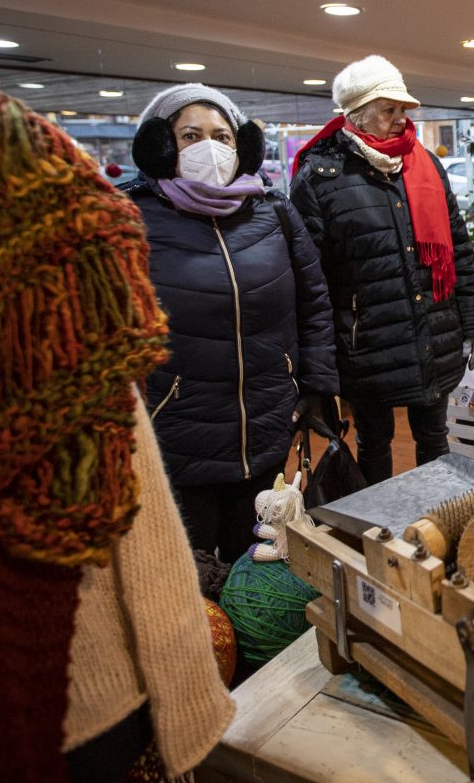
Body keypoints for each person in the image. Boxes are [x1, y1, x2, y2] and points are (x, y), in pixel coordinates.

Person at [126, 83, 339, 557]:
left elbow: (314, 302)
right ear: (160, 145)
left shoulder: (273, 211)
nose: (209, 147)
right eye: (190, 135)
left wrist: (315, 388)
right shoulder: (131, 218)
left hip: (266, 423)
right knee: (191, 573)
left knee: (260, 560)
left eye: (221, 136)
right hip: (179, 434)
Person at [290, 55, 474, 483]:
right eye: (389, 110)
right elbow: (310, 279)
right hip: (367, 344)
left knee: (435, 437)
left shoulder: (424, 164)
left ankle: (434, 524)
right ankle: (379, 530)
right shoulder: (320, 176)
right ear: (358, 115)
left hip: (433, 333)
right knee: (373, 443)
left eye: (403, 109)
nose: (402, 119)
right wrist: (319, 360)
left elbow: (458, 247)